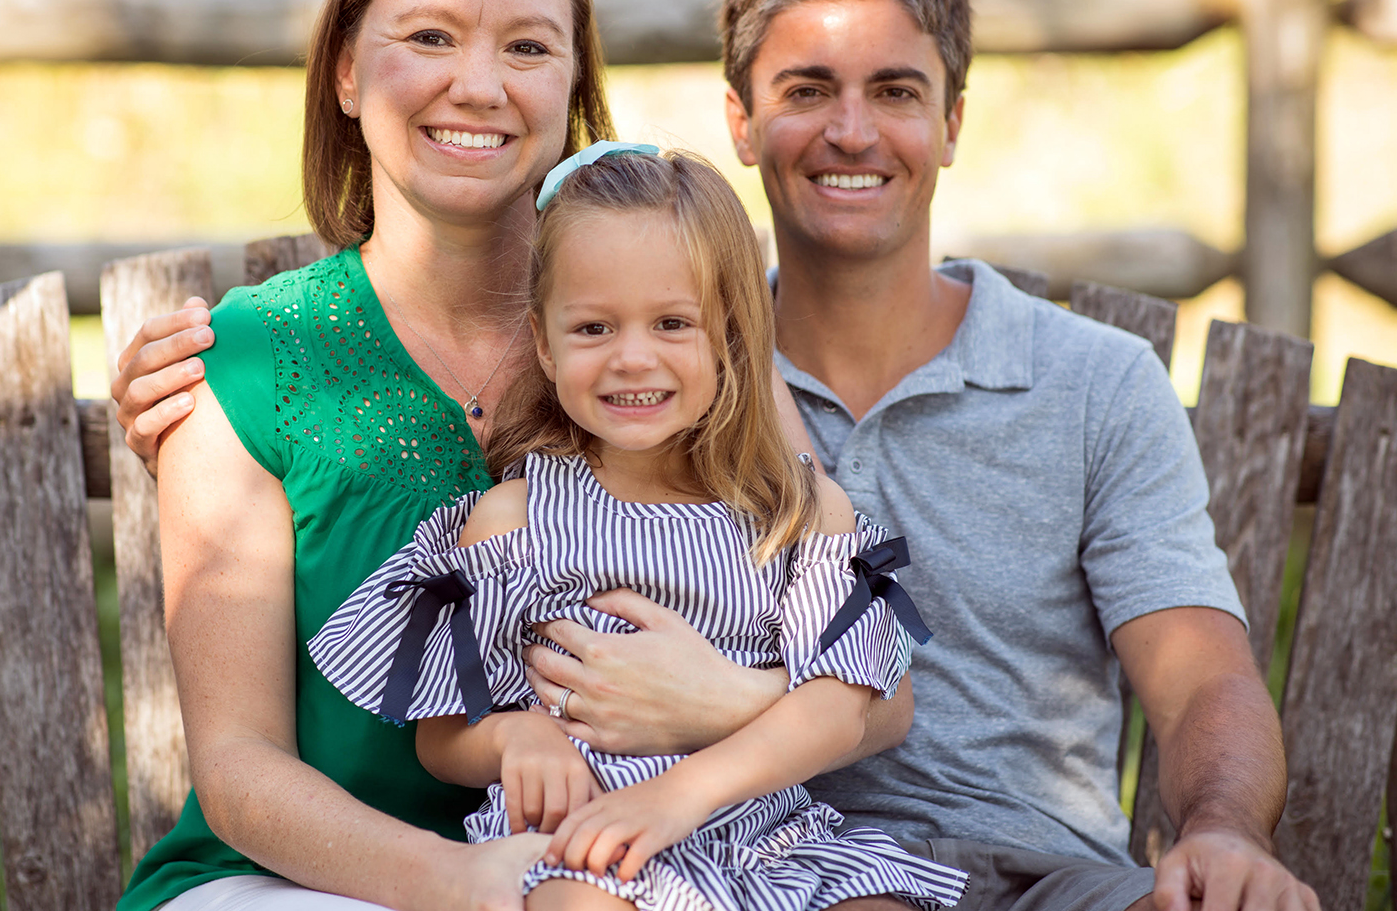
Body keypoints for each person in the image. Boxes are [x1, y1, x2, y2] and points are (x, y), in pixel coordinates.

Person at [113, 0, 1319, 911]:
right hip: (559, 866)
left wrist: (1223, 830)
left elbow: (1166, 671)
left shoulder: (737, 368)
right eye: (807, 88)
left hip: (876, 859)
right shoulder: (604, 376)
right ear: (737, 121)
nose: (851, 129)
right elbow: (271, 740)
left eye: (896, 89)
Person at [116, 0, 897, 911]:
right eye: (430, 37)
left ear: (573, 85)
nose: (477, 84)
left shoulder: (664, 348)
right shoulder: (253, 363)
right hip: (311, 883)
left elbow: (867, 682)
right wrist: (462, 879)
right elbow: (238, 769)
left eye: (527, 48)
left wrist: (725, 701)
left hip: (645, 856)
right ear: (346, 71)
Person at [307, 144, 970, 911]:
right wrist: (516, 739)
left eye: (670, 322)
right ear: (544, 342)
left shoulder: (800, 514)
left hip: (768, 838)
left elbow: (837, 707)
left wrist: (676, 798)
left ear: (729, 338)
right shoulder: (512, 522)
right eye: (592, 328)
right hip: (590, 844)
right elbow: (442, 734)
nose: (631, 357)